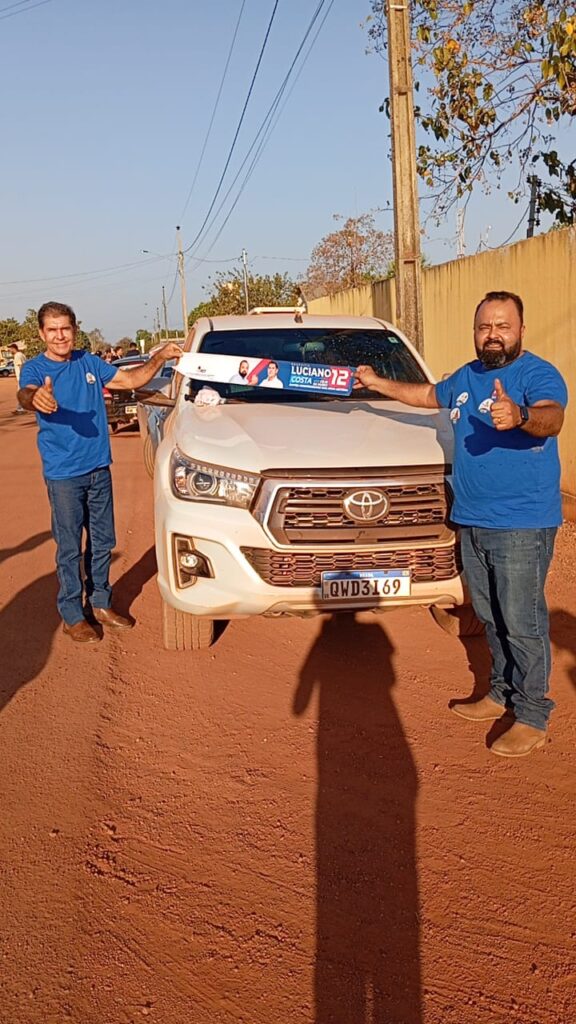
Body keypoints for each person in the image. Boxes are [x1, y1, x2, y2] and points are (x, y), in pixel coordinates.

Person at [354, 291, 567, 758]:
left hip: (521, 524)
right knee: (489, 615)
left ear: (520, 330)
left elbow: (553, 417)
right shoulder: (466, 377)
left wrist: (521, 415)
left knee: (522, 620)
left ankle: (532, 714)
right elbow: (426, 394)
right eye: (484, 327)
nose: (492, 335)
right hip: (472, 520)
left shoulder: (536, 374)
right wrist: (376, 382)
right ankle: (500, 693)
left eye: (502, 326)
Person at [18, 301, 182, 644]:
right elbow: (26, 393)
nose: (60, 335)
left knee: (103, 540)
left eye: (65, 328)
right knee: (69, 546)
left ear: (74, 330)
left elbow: (131, 378)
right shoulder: (34, 369)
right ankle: (72, 614)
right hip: (63, 474)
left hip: (98, 469)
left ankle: (101, 603)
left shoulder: (90, 363)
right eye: (52, 329)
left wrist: (160, 357)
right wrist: (37, 399)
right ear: (41, 334)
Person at [9, 342, 26, 413]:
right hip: (25, 376)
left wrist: (21, 377)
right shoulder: (22, 354)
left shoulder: (17, 355)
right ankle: (20, 408)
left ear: (13, 349)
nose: (10, 351)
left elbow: (21, 366)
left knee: (20, 393)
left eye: (10, 349)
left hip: (22, 377)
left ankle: (20, 408)